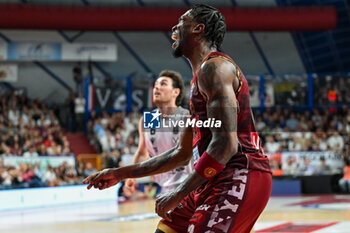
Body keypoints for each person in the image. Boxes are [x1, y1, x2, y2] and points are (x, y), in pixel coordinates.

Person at [83, 4, 272, 233]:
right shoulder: (195, 84)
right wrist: (119, 173)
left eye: (182, 21)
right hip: (209, 179)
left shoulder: (215, 68)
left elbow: (226, 145)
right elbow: (180, 153)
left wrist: (179, 192)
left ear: (198, 29)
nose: (175, 26)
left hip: (239, 173)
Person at [123, 70, 193, 196]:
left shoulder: (186, 117)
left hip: (189, 187)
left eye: (163, 84)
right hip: (165, 190)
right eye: (155, 84)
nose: (156, 87)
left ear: (175, 92)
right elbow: (142, 152)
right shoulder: (149, 119)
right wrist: (131, 176)